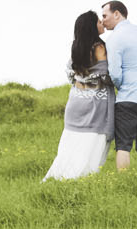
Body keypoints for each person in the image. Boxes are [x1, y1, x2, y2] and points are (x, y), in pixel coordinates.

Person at [42, 12, 115, 181]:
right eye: (98, 21)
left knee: (71, 143)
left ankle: (61, 177)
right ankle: (80, 178)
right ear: (92, 26)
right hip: (94, 104)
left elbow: (71, 73)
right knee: (90, 143)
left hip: (76, 100)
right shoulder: (99, 47)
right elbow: (105, 76)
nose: (102, 23)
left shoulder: (76, 46)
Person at [99, 0, 137, 172]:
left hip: (128, 98)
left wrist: (119, 86)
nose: (102, 20)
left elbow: (115, 73)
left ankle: (124, 182)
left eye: (105, 15)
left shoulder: (113, 39)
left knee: (123, 145)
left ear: (117, 14)